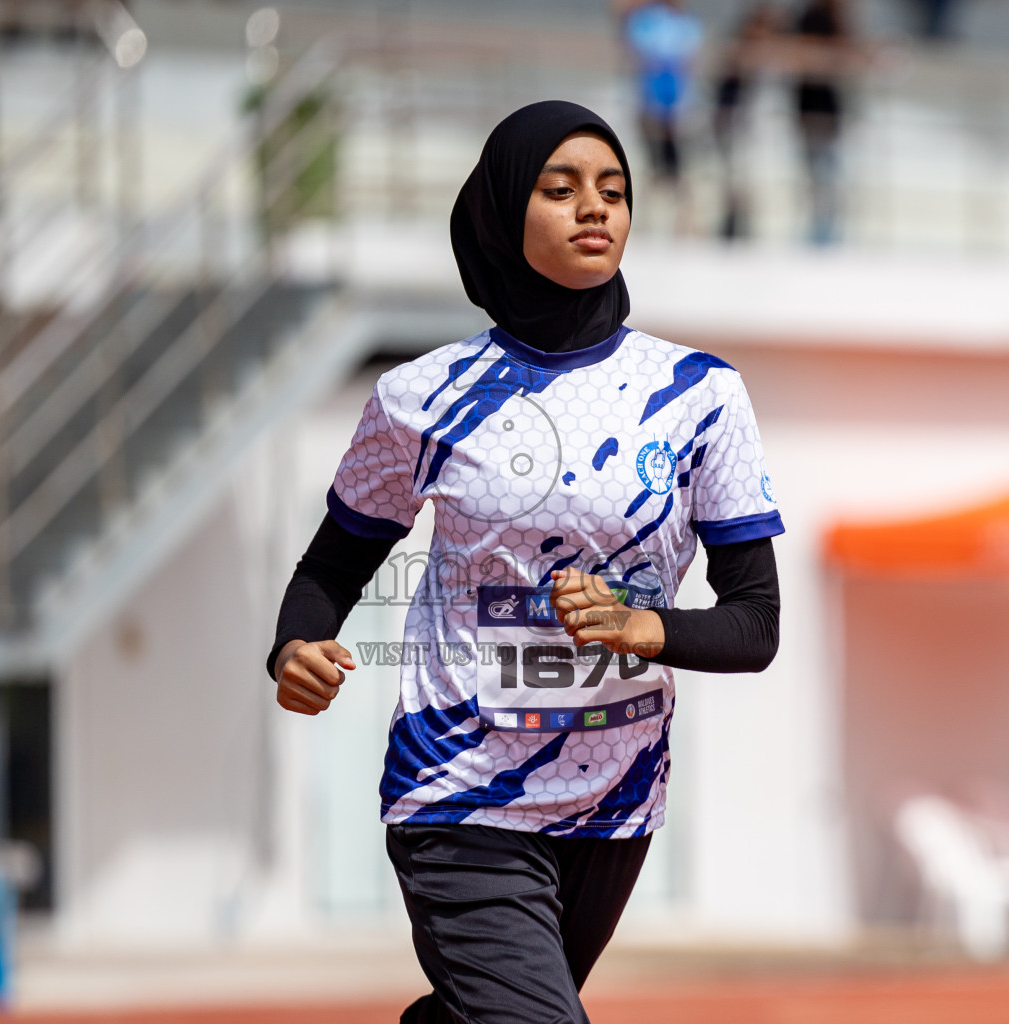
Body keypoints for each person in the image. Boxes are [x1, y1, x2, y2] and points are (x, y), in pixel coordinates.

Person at [268, 100, 783, 1024]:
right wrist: (295, 644)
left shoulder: (700, 397)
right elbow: (333, 567)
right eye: (561, 189)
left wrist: (643, 627)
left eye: (614, 191)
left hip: (616, 799)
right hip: (457, 790)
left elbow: (756, 626)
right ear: (507, 212)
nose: (596, 208)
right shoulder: (419, 398)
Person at [619, 0, 704, 231]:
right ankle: (650, 219)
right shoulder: (651, 21)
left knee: (677, 165)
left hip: (676, 108)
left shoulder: (679, 24)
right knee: (655, 163)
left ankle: (675, 219)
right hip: (653, 105)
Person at [788, 0, 859, 246]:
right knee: (816, 171)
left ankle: (827, 228)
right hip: (809, 106)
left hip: (827, 108)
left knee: (827, 171)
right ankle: (818, 227)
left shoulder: (836, 17)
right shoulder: (810, 16)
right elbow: (800, 55)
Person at [713, 3, 778, 239]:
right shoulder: (741, 53)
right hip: (736, 124)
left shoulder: (757, 53)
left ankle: (741, 226)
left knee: (744, 176)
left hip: (748, 125)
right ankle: (733, 226)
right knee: (735, 175)